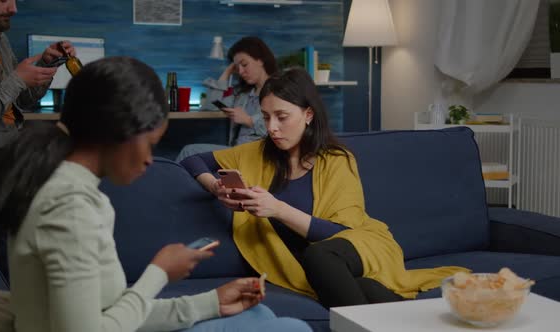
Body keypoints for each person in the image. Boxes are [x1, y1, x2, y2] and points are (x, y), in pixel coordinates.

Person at [0, 57, 311, 332]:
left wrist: (208, 303)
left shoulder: (60, 187)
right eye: (149, 143)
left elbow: (108, 313)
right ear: (117, 131)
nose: (151, 158)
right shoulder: (70, 207)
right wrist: (158, 274)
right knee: (292, 328)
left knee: (260, 317)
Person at [181, 68, 470, 308]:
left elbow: (340, 231)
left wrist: (278, 209)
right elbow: (193, 158)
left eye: (282, 117)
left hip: (358, 245)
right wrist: (216, 187)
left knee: (320, 255)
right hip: (319, 271)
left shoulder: (336, 160)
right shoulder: (255, 153)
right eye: (266, 117)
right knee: (363, 289)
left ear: (308, 115)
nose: (271, 127)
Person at [0, 0, 75, 244]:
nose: (14, 8)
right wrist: (17, 78)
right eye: (5, 0)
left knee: (73, 157)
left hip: (9, 143)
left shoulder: (0, 39)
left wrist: (46, 65)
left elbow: (22, 102)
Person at [175, 36, 276, 162]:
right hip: (236, 151)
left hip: (257, 155)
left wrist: (249, 120)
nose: (241, 71)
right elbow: (209, 107)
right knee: (189, 153)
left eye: (244, 64)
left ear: (260, 60)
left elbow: (282, 127)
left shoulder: (278, 91)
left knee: (189, 152)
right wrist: (226, 73)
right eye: (237, 67)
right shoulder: (243, 95)